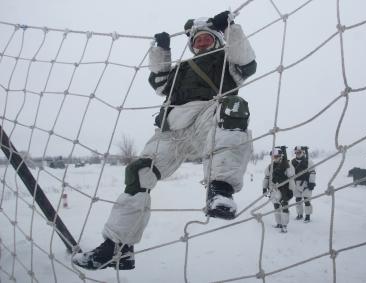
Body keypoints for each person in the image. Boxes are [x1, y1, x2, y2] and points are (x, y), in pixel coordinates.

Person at [72, 11, 257, 270]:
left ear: (217, 41)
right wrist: (161, 49)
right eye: (197, 41)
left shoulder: (227, 63)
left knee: (234, 107)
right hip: (172, 133)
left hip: (208, 120)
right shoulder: (181, 70)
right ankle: (119, 248)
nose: (202, 44)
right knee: (139, 173)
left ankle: (220, 192)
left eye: (207, 40)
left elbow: (248, 63)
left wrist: (230, 28)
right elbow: (159, 83)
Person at [262, 147, 295, 233]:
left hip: (284, 189)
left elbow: (291, 178)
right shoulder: (270, 167)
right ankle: (279, 223)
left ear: (280, 156)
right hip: (273, 189)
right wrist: (264, 187)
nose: (274, 158)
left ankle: (284, 225)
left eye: (276, 156)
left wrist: (291, 190)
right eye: (273, 157)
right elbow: (267, 177)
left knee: (284, 206)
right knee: (276, 206)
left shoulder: (287, 165)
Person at [291, 146, 316, 223]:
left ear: (303, 152)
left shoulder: (309, 161)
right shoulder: (292, 162)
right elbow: (290, 172)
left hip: (306, 183)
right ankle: (299, 214)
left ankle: (308, 216)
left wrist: (311, 182)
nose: (298, 154)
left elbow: (312, 172)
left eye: (300, 152)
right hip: (296, 184)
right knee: (298, 200)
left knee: (306, 200)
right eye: (297, 152)